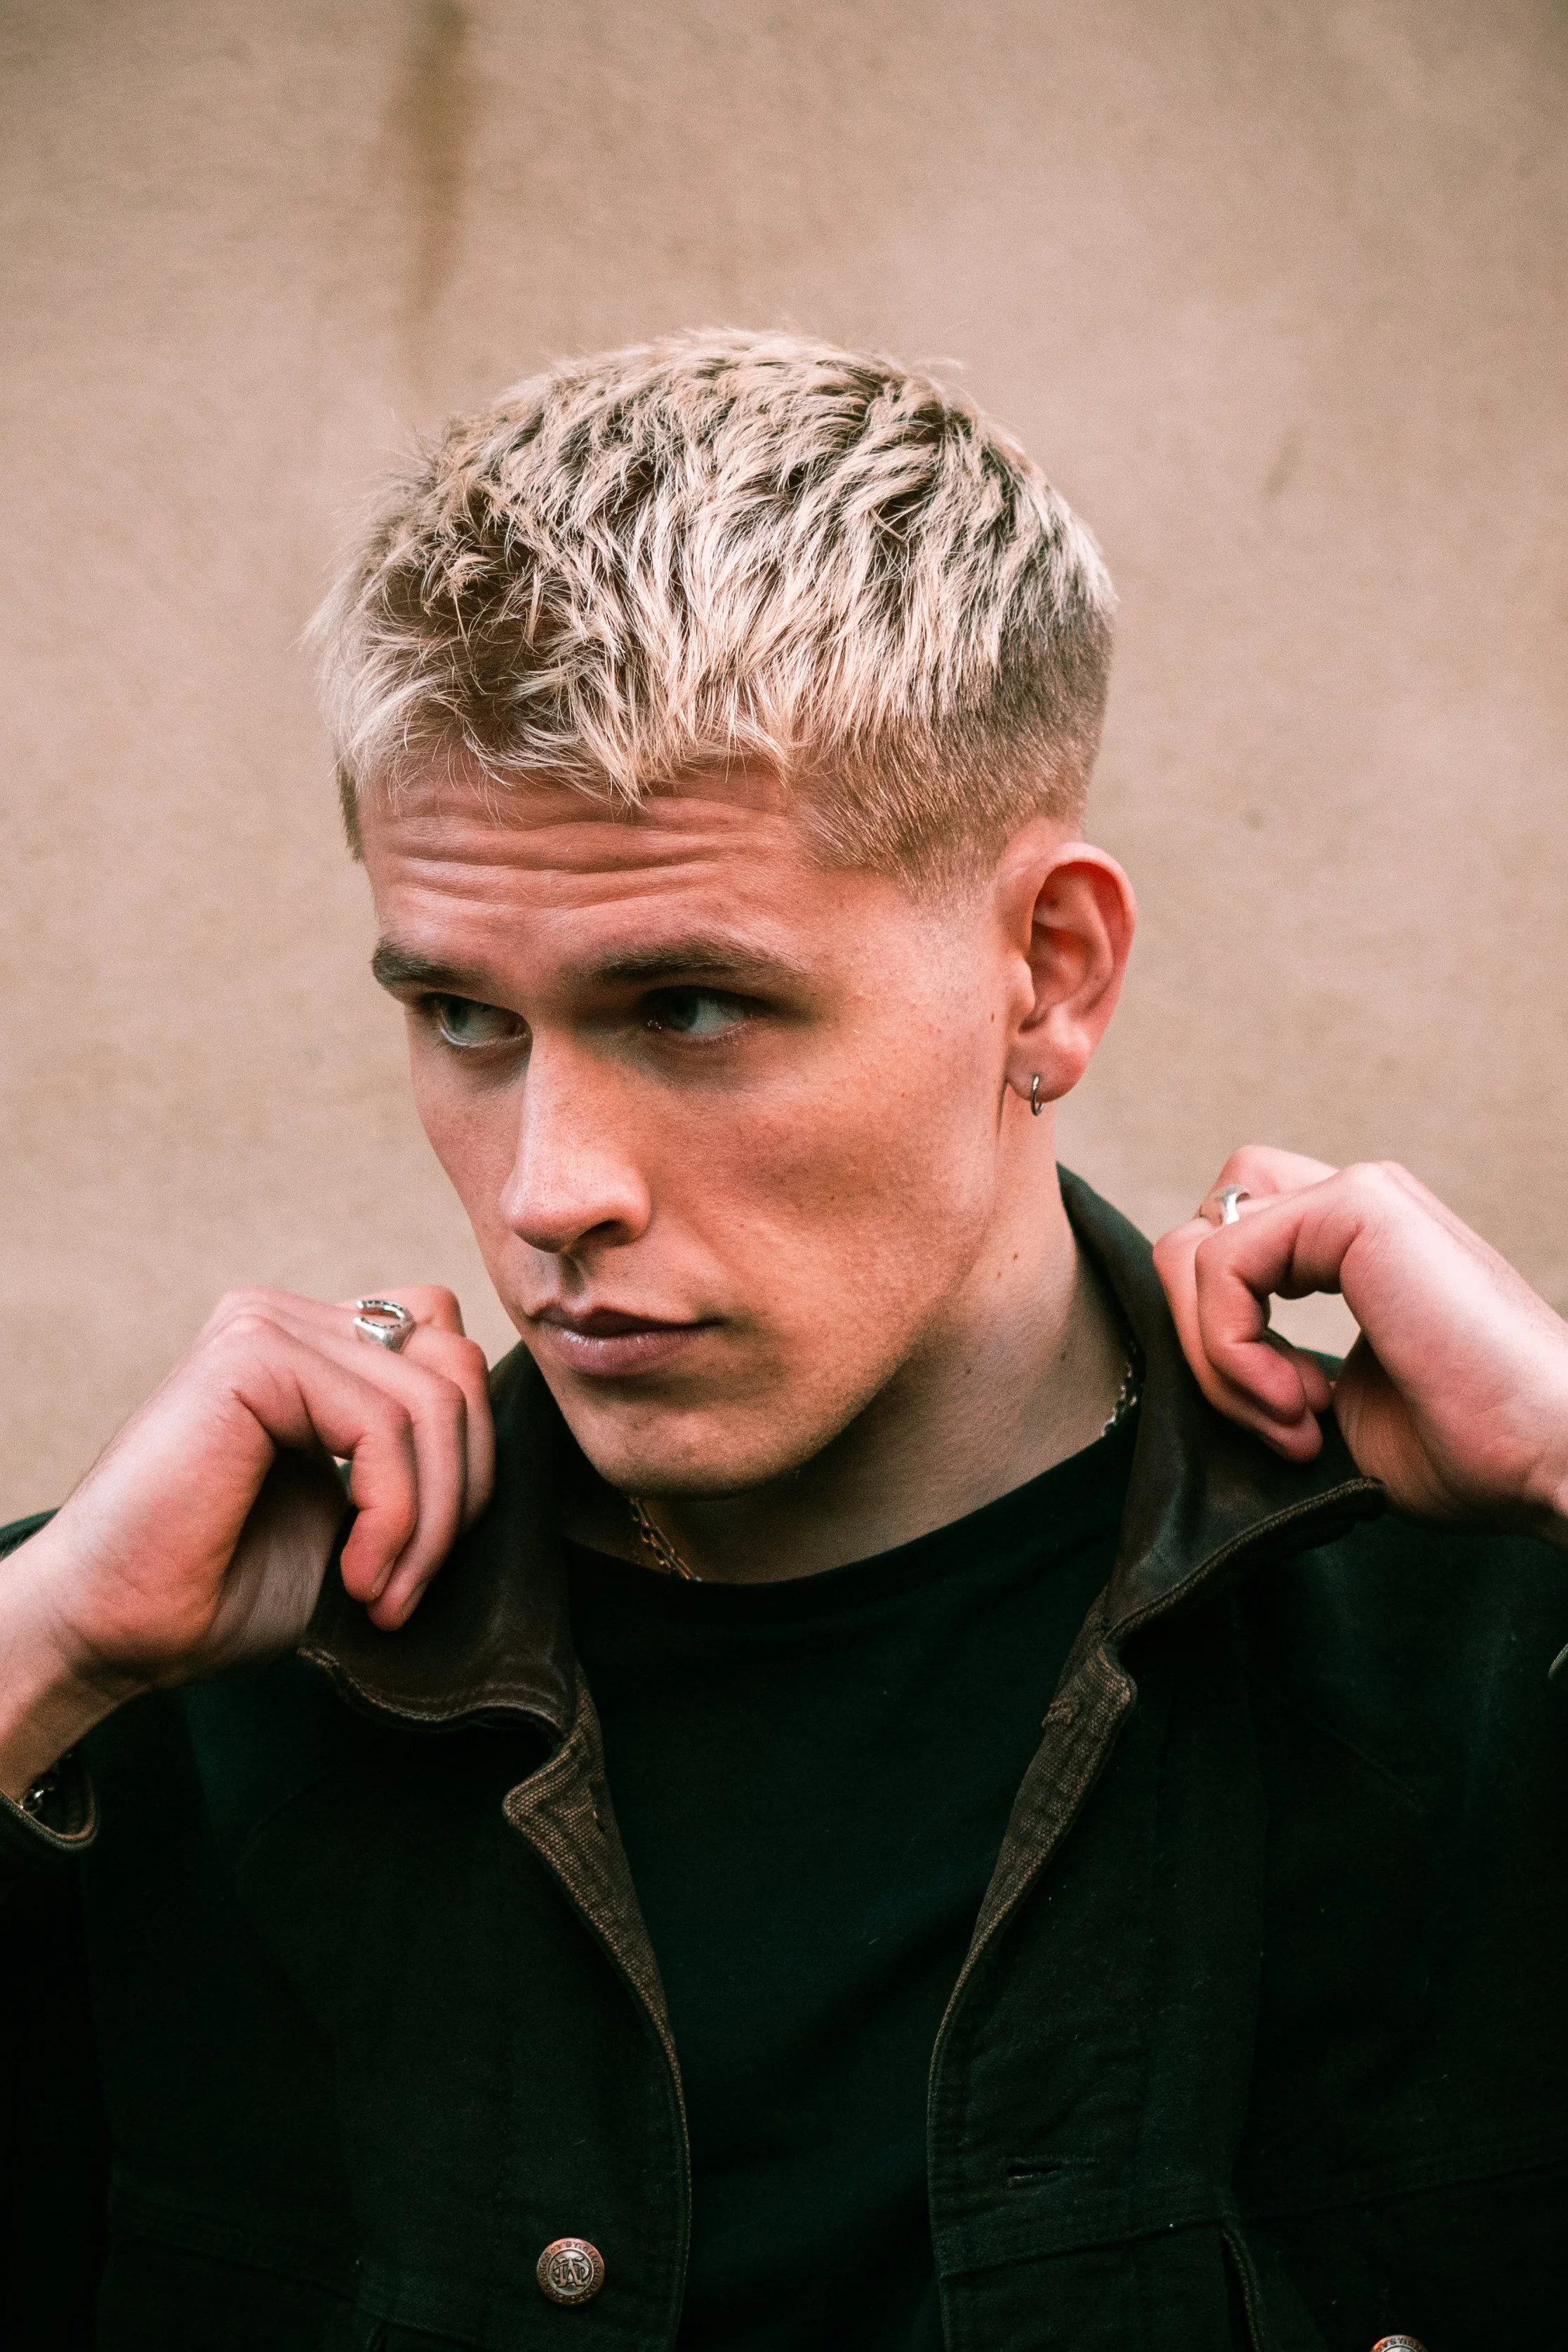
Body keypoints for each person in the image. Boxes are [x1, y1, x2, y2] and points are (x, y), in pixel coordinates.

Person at [1, 332, 1564, 2352]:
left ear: (1049, 970)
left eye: (690, 1009)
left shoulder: (1474, 1671)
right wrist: (42, 1650)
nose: (552, 1182)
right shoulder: (173, 1692)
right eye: (466, 1014)